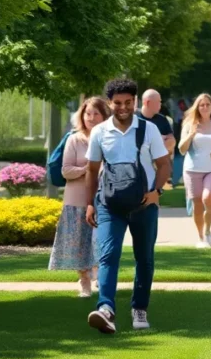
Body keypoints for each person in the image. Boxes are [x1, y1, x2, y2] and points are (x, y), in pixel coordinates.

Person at [85, 78, 172, 335]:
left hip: (144, 204)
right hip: (109, 204)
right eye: (118, 103)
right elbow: (91, 170)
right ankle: (106, 309)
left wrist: (157, 191)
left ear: (135, 102)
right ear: (110, 103)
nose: (123, 107)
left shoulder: (148, 130)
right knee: (108, 255)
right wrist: (90, 204)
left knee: (144, 258)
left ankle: (139, 308)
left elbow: (164, 164)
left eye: (128, 102)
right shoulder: (100, 132)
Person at [50, 97, 110, 296]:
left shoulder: (110, 137)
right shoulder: (74, 139)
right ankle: (84, 279)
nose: (91, 118)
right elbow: (66, 170)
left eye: (96, 114)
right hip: (76, 199)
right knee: (79, 242)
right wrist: (89, 169)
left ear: (104, 116)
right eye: (87, 114)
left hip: (104, 199)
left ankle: (101, 276)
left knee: (102, 241)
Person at [179, 93, 211, 249]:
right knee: (197, 205)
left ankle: (208, 231)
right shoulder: (189, 124)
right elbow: (181, 150)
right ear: (197, 107)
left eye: (208, 104)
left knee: (208, 198)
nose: (205, 107)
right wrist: (191, 135)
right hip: (192, 169)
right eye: (202, 105)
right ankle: (201, 237)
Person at [138, 88, 176, 162]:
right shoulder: (133, 118)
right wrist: (159, 139)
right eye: (158, 102)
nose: (160, 104)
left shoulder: (162, 119)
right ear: (148, 103)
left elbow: (172, 142)